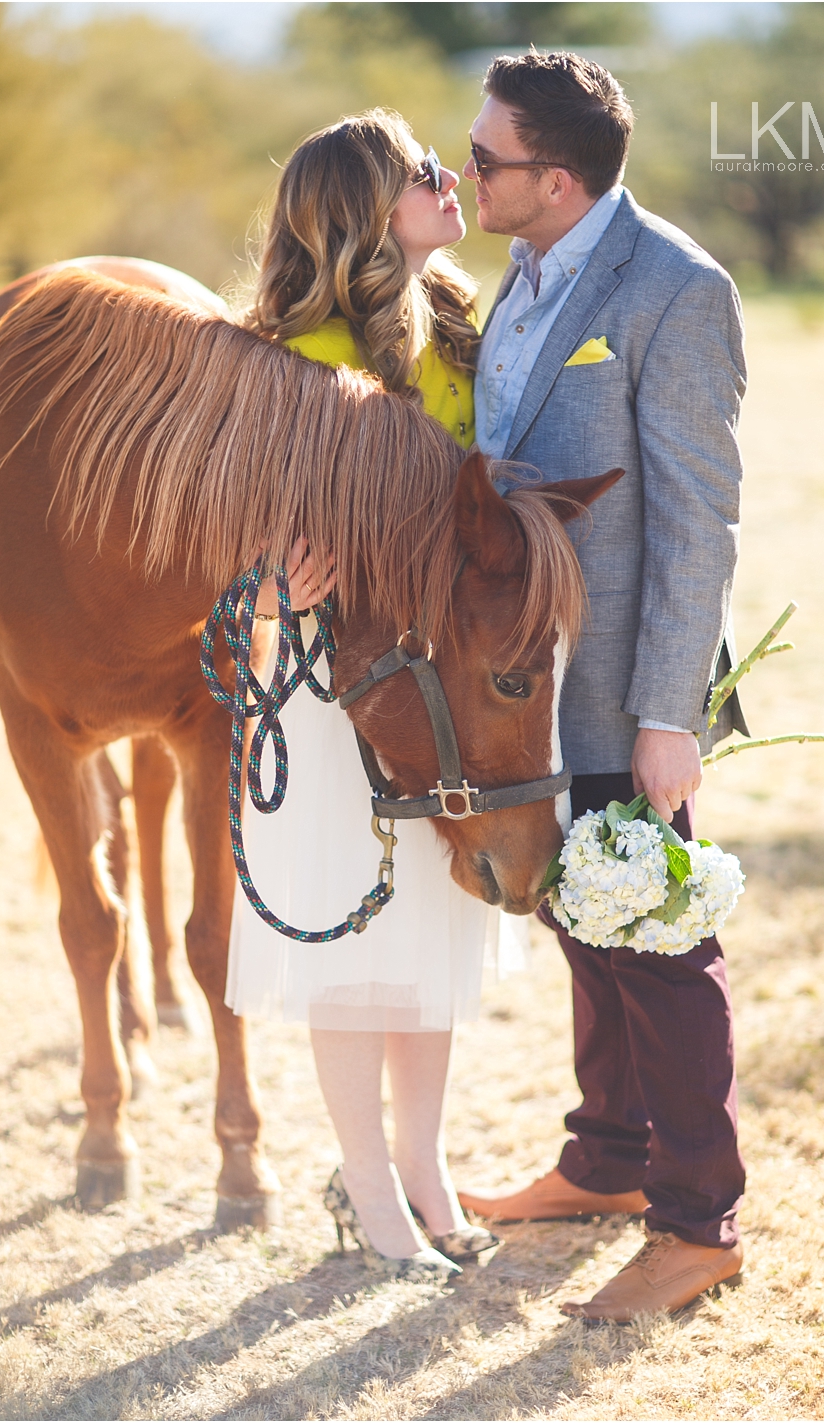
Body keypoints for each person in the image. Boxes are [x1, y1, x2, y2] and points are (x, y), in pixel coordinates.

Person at [454, 53, 749, 1321]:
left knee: (659, 948)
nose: (466, 174)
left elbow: (698, 520)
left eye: (483, 161)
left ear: (554, 179)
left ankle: (696, 1221)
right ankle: (605, 1162)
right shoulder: (515, 278)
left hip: (628, 687)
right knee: (584, 927)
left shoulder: (675, 291)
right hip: (526, 686)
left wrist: (668, 716)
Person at [225, 110, 512, 1283]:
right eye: (418, 173)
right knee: (357, 936)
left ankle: (424, 1167)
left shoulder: (461, 324)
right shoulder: (290, 356)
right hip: (331, 678)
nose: (449, 177)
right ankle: (368, 1190)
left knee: (434, 923)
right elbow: (233, 528)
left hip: (439, 673)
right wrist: (267, 585)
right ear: (361, 215)